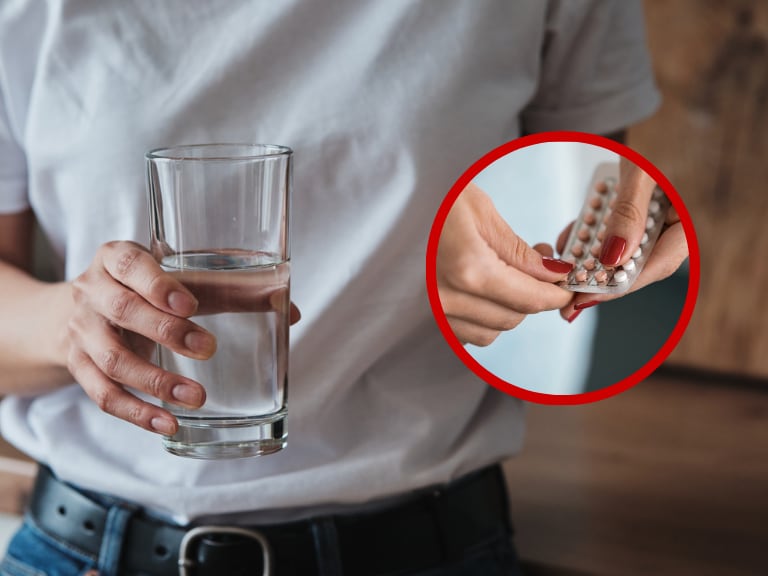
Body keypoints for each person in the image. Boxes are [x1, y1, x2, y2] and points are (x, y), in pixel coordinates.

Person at [0, 2, 673, 574]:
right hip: (85, 549)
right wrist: (72, 325)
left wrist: (612, 239)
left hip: (428, 546)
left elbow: (593, 198)